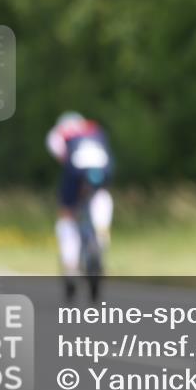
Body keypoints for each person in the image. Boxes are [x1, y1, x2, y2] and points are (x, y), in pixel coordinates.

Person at [45, 111, 114, 301]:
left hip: (74, 177)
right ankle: (100, 240)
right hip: (102, 176)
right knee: (101, 201)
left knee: (67, 218)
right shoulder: (96, 130)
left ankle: (70, 266)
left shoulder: (58, 135)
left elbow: (63, 160)